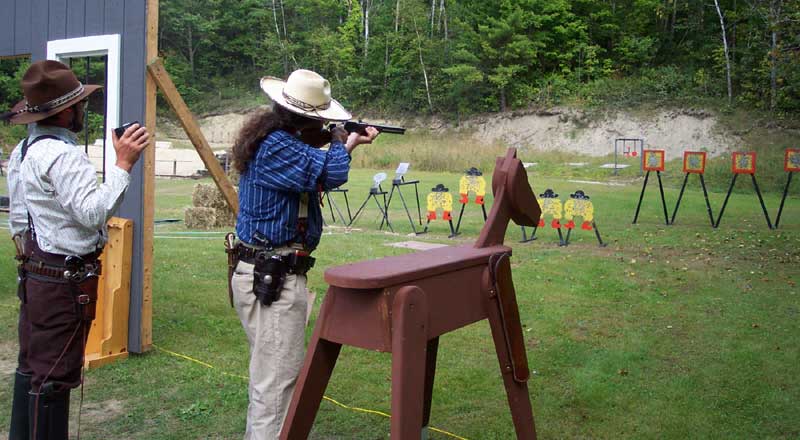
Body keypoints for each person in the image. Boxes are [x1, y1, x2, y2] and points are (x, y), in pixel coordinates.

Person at [229, 69, 378, 439]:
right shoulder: (278, 146)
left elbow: (317, 171)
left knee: (270, 379)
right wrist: (343, 137)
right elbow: (332, 173)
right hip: (272, 276)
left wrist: (346, 140)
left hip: (267, 273)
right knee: (276, 388)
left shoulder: (277, 140)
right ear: (308, 120)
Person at [4, 60, 149, 439]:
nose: (84, 110)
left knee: (34, 368)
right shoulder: (63, 155)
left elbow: (19, 221)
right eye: (81, 104)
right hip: (61, 282)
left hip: (37, 274)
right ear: (68, 110)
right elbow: (93, 213)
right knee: (53, 379)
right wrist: (123, 164)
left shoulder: (23, 150)